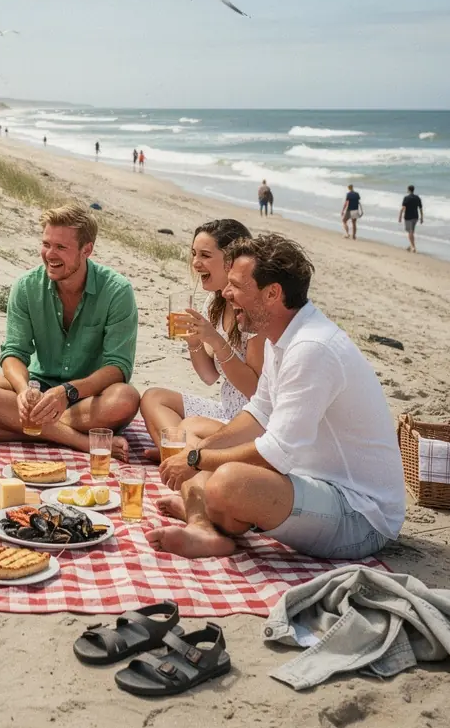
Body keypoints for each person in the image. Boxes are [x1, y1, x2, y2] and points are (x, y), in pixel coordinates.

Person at [149, 233, 405, 560]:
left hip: (361, 515)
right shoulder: (278, 338)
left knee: (227, 480)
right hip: (310, 484)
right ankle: (205, 523)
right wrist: (199, 452)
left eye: (237, 286)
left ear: (272, 293)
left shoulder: (312, 348)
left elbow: (275, 454)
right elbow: (258, 413)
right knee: (200, 447)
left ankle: (208, 512)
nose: (226, 294)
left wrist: (196, 460)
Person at [0, 204, 139, 459]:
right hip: (40, 389)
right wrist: (23, 390)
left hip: (89, 397)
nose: (49, 254)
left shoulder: (117, 291)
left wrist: (67, 392)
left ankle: (23, 429)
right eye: (46, 244)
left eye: (61, 247)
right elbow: (14, 352)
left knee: (126, 398)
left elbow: (118, 367)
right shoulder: (26, 287)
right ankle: (78, 440)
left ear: (86, 250)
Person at [139, 220, 264, 458]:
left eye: (205, 255)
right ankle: (181, 454)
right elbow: (209, 377)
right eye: (194, 254)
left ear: (232, 260)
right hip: (226, 410)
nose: (196, 263)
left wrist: (216, 340)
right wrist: (194, 341)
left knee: (191, 425)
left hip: (250, 421)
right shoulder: (214, 303)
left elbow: (254, 390)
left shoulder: (252, 313)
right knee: (153, 398)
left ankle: (179, 455)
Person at [399, 184, 424, 253]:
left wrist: (400, 216)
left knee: (410, 232)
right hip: (415, 217)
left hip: (408, 217)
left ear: (408, 190)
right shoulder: (417, 198)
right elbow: (420, 208)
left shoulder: (406, 198)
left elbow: (403, 208)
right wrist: (422, 217)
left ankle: (413, 247)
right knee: (411, 231)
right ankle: (411, 245)